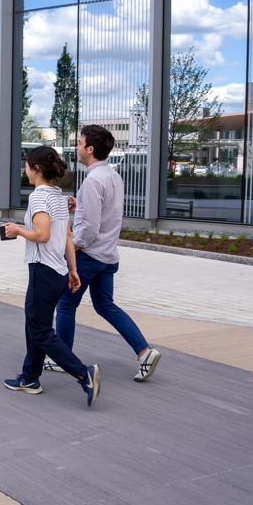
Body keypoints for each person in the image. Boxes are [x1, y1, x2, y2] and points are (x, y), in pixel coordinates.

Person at [44, 124, 162, 382]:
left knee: (66, 304)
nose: (77, 147)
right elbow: (106, 212)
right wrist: (81, 206)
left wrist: (69, 248)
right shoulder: (113, 176)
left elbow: (88, 230)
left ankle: (63, 359)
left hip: (88, 257)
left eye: (80, 143)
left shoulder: (92, 181)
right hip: (108, 255)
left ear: (90, 149)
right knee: (105, 305)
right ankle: (144, 352)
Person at [3, 146, 100, 407]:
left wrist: (17, 231)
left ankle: (84, 374)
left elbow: (42, 235)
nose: (24, 170)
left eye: (26, 165)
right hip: (58, 271)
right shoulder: (58, 196)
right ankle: (30, 378)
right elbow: (66, 236)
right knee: (35, 325)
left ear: (36, 169)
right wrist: (72, 270)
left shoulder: (38, 197)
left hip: (43, 271)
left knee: (40, 329)